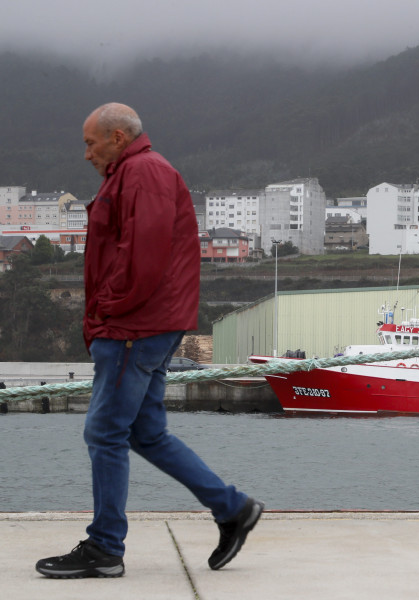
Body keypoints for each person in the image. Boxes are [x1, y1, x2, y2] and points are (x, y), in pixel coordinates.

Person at [35, 103, 263, 579]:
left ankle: (104, 547)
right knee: (145, 432)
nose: (86, 153)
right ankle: (233, 508)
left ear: (117, 137)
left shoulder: (142, 174)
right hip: (145, 324)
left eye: (90, 142)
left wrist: (104, 313)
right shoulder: (137, 172)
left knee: (104, 432)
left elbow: (143, 259)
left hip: (134, 328)